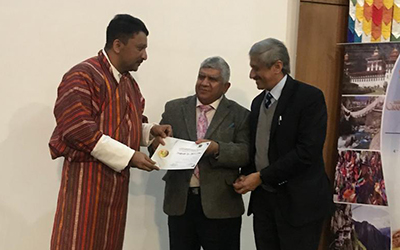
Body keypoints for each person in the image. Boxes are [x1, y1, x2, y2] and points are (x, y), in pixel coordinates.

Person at [48, 14, 172, 250]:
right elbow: (78, 129)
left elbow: (126, 123)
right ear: (117, 44)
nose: (145, 56)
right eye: (140, 48)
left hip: (116, 186)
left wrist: (150, 132)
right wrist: (130, 156)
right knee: (77, 242)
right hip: (86, 184)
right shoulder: (82, 75)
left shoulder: (128, 82)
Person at [233, 38, 333, 250]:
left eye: (256, 68)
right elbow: (260, 148)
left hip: (300, 206)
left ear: (277, 66)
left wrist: (261, 177)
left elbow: (307, 152)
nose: (251, 75)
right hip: (264, 206)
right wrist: (247, 173)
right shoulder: (258, 102)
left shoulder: (309, 98)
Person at [154, 56, 250, 250]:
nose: (204, 83)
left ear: (226, 86)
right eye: (201, 77)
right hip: (181, 202)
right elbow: (157, 148)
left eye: (212, 79)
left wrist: (217, 148)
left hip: (221, 205)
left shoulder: (240, 115)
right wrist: (157, 142)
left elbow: (245, 153)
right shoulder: (174, 109)